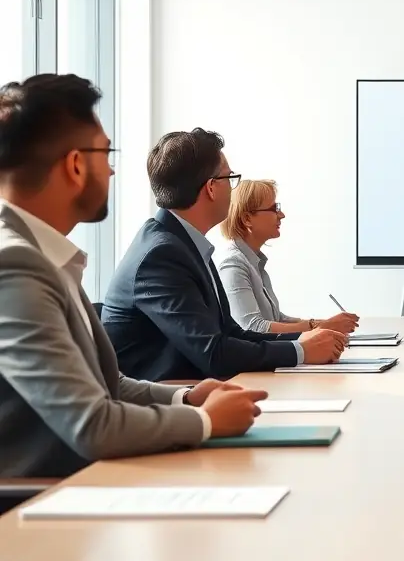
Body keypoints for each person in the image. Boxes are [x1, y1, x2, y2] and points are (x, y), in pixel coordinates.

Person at [0, 75, 267, 480]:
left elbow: (106, 385)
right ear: (75, 164)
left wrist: (188, 396)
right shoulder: (15, 265)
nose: (110, 171)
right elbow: (92, 425)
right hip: (48, 502)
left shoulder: (43, 254)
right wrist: (206, 422)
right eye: (106, 154)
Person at [102, 128, 347, 382]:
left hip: (190, 390)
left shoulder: (184, 244)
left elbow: (230, 333)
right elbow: (214, 354)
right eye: (230, 179)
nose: (233, 189)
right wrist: (299, 350)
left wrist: (301, 340)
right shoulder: (161, 255)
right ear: (211, 188)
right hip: (164, 404)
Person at [215, 179, 359, 334]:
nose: (282, 215)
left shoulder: (253, 261)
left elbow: (276, 319)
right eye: (274, 208)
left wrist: (324, 324)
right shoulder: (233, 265)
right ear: (247, 219)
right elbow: (253, 328)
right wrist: (321, 327)